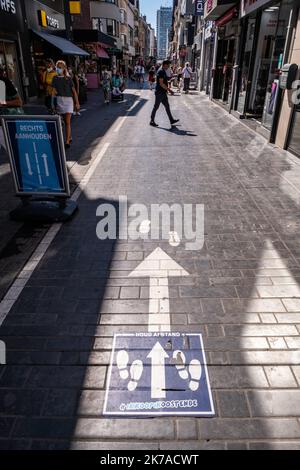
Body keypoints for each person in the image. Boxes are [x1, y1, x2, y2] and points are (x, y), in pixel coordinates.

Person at [51, 60, 80, 149]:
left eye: (60, 67)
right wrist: (52, 103)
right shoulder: (55, 78)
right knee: (62, 122)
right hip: (60, 101)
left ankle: (67, 141)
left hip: (68, 102)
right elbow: (53, 92)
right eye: (57, 67)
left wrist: (77, 103)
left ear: (64, 69)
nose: (58, 69)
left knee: (67, 122)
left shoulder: (68, 78)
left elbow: (74, 91)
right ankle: (69, 136)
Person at [150, 60, 179, 128]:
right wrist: (169, 90)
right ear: (164, 65)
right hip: (159, 93)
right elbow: (161, 83)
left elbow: (165, 80)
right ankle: (151, 121)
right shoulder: (161, 71)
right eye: (168, 65)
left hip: (163, 93)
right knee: (156, 107)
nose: (169, 67)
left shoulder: (163, 71)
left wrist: (171, 78)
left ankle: (171, 120)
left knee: (167, 106)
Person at [0, 65, 23, 150]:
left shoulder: (3, 82)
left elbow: (19, 102)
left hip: (6, 123)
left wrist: (3, 103)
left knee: (13, 150)